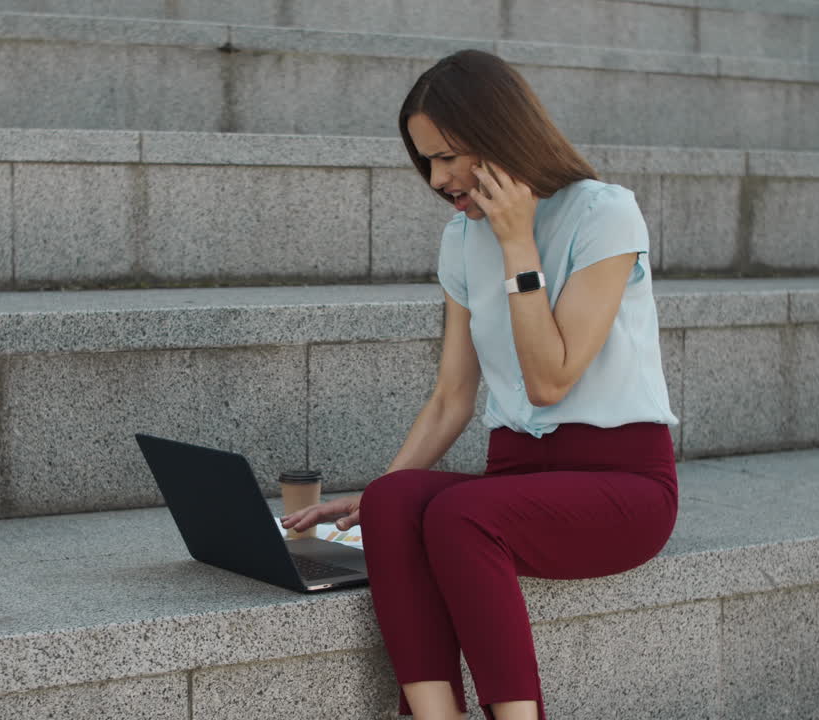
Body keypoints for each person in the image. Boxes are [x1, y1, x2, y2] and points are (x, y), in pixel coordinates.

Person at [280, 49, 679, 720]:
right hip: (519, 483)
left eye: (450, 156)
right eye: (426, 161)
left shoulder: (604, 214)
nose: (438, 179)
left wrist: (517, 243)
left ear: (500, 137)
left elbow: (551, 379)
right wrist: (373, 501)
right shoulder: (461, 241)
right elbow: (450, 398)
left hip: (624, 487)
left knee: (463, 515)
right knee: (395, 501)